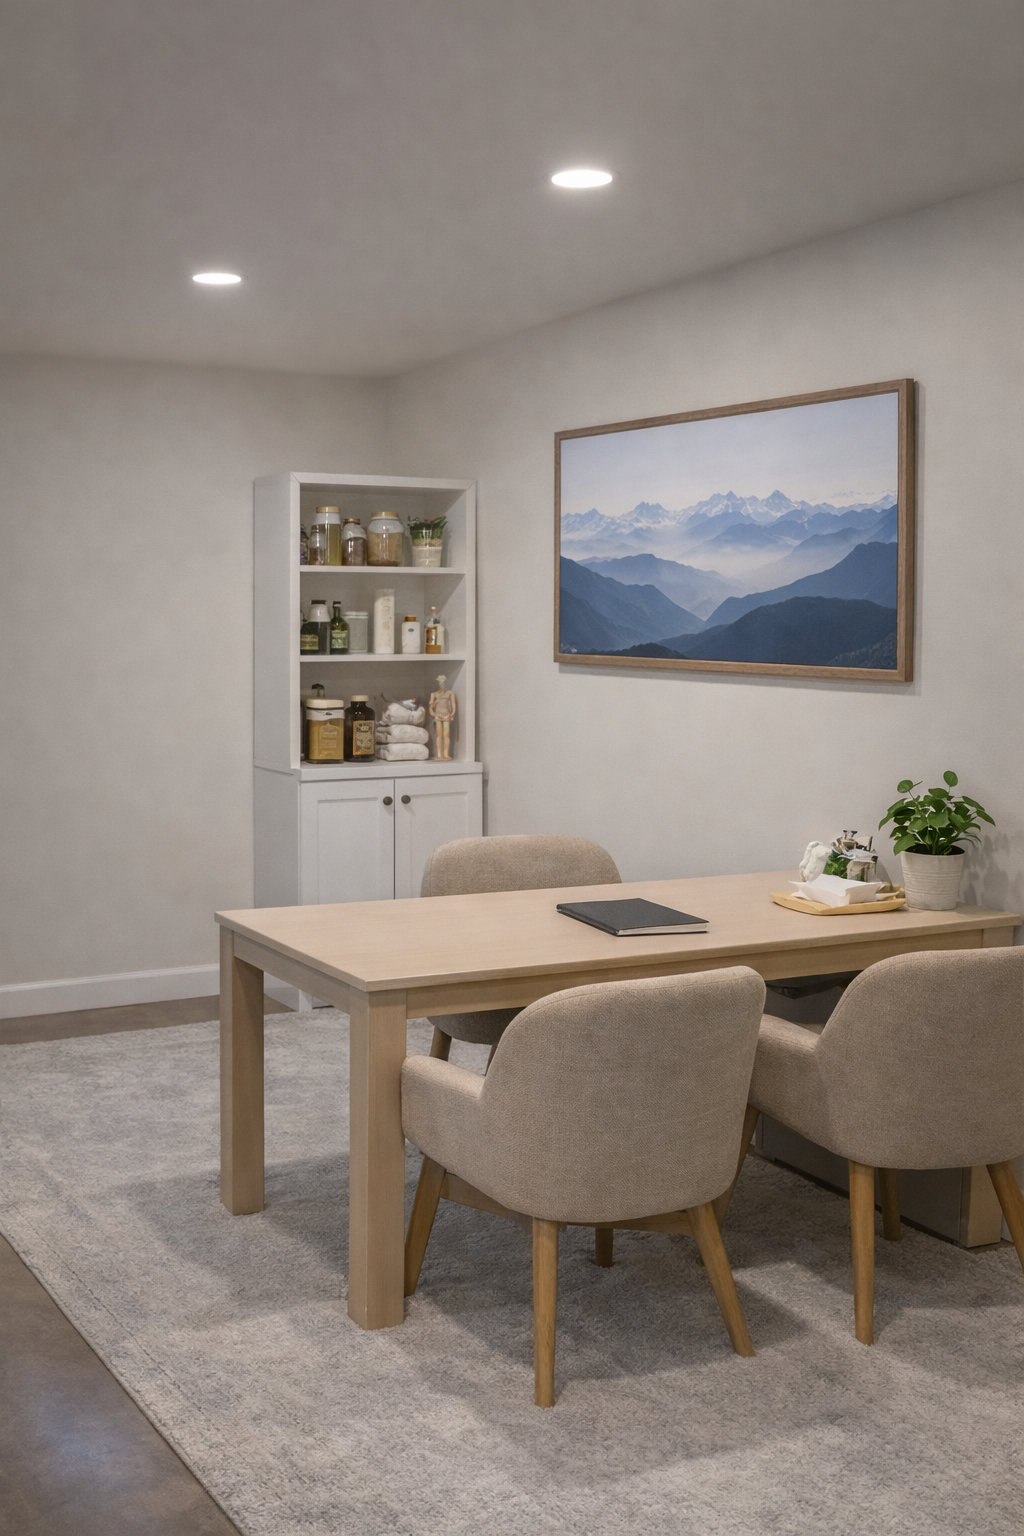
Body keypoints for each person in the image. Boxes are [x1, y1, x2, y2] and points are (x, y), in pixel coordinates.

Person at [428, 675, 456, 760]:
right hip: (438, 715)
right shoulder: (434, 694)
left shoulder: (450, 693)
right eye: (440, 682)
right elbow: (431, 707)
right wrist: (433, 714)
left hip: (447, 715)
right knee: (439, 735)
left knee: (446, 735)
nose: (441, 683)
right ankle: (439, 754)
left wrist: (452, 714)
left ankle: (446, 753)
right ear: (438, 682)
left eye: (443, 681)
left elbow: (453, 704)